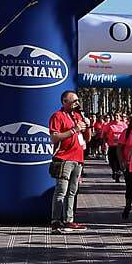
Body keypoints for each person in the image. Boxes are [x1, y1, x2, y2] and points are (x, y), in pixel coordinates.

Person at [47, 90, 87, 233]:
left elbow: (86, 138)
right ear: (65, 102)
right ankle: (56, 221)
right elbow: (54, 138)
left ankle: (69, 220)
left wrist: (86, 126)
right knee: (61, 191)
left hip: (78, 159)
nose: (77, 103)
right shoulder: (57, 116)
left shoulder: (77, 116)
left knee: (72, 191)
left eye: (77, 100)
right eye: (73, 101)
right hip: (64, 159)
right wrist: (73, 130)